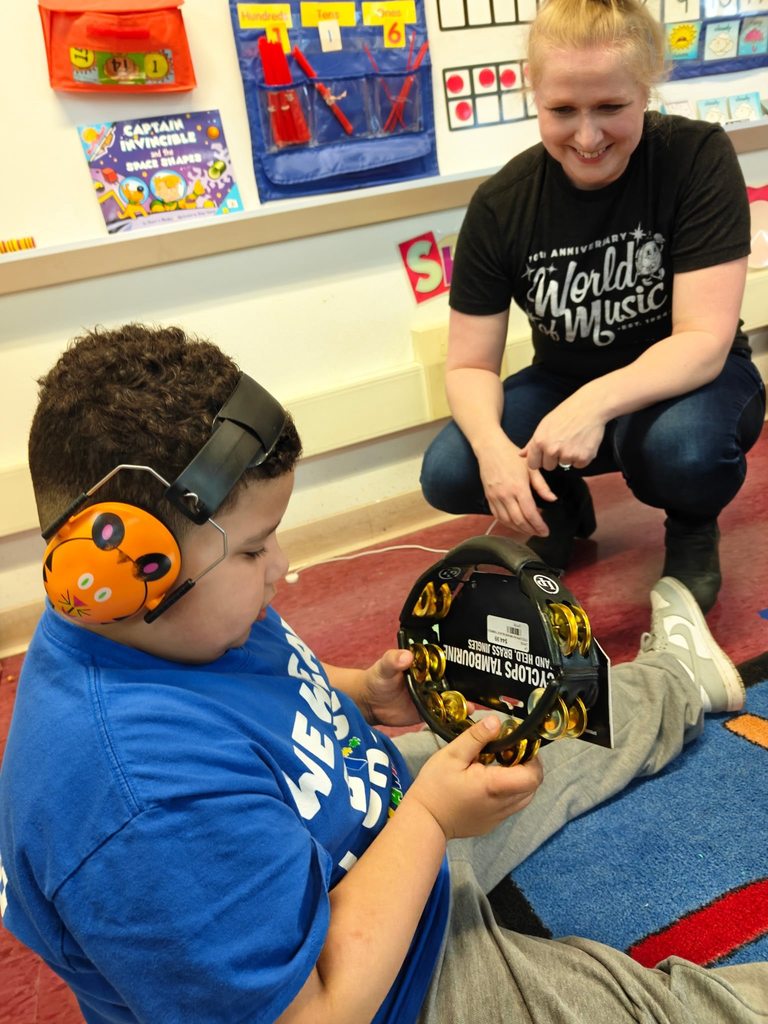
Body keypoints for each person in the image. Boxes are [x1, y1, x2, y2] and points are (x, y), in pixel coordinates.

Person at [0, 322, 765, 1024]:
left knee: (540, 717)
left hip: (369, 819)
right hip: (391, 993)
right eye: (255, 548)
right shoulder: (139, 805)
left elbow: (270, 677)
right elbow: (315, 1012)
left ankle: (684, 682)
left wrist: (361, 694)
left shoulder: (171, 613)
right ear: (121, 568)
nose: (284, 566)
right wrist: (431, 818)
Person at [420, 0, 766, 614]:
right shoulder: (501, 204)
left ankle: (691, 523)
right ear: (535, 95)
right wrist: (500, 457)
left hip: (688, 378)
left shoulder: (695, 157)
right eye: (562, 111)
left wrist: (593, 403)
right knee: (452, 467)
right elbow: (469, 366)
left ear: (647, 89)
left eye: (611, 107)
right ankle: (557, 504)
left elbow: (702, 339)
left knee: (682, 450)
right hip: (564, 377)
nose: (587, 137)